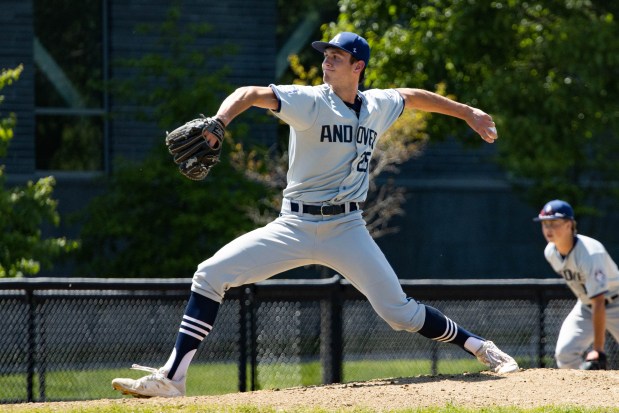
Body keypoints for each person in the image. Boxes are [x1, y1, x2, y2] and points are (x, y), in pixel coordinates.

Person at [112, 31, 518, 398]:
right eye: (326, 54)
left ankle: (480, 347)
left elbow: (411, 96)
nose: (327, 60)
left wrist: (467, 112)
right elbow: (250, 92)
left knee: (399, 313)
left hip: (348, 227)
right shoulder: (308, 101)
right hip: (296, 224)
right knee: (210, 274)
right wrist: (220, 122)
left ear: (358, 66)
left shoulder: (375, 105)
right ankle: (173, 378)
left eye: (337, 56)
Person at [533, 199, 619, 369]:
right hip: (587, 306)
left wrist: (598, 349)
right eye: (545, 224)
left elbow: (599, 300)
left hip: (615, 302)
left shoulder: (590, 253)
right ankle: (590, 394)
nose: (548, 229)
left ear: (569, 225)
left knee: (595, 357)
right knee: (565, 354)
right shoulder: (550, 252)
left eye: (554, 223)